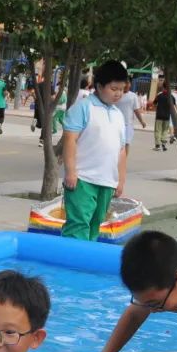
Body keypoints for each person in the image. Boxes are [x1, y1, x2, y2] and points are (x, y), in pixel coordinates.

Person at [60, 60, 128, 242]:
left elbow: (121, 150)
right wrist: (71, 171)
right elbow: (70, 139)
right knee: (79, 224)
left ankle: (85, 267)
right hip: (83, 178)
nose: (118, 93)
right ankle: (70, 264)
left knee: (95, 224)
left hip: (107, 181)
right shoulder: (84, 107)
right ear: (99, 86)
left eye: (121, 89)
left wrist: (120, 180)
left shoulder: (118, 115)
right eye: (114, 89)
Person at [115, 79, 146, 187]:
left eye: (129, 83)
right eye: (125, 83)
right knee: (116, 144)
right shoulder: (117, 94)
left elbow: (136, 110)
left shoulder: (133, 96)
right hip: (116, 123)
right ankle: (114, 160)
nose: (127, 85)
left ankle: (122, 162)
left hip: (128, 124)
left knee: (126, 144)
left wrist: (142, 121)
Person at [152, 80, 173, 151]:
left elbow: (154, 104)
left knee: (158, 130)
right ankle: (163, 145)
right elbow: (174, 107)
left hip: (159, 116)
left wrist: (157, 109)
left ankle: (157, 145)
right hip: (167, 116)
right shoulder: (171, 97)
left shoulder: (159, 95)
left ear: (163, 87)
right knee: (165, 130)